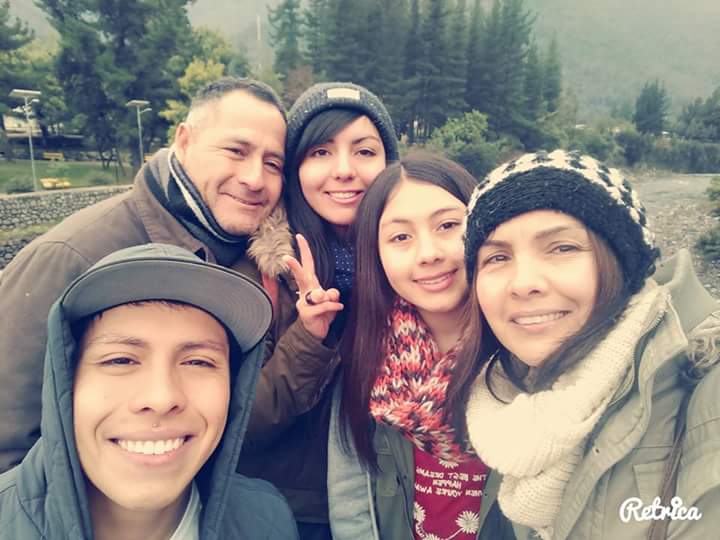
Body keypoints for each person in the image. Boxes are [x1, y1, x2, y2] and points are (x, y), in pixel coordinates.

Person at [0, 77, 296, 473]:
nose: (254, 178)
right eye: (235, 151)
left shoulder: (255, 258)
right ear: (184, 141)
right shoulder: (72, 255)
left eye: (273, 163)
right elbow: (10, 437)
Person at [456, 149, 720, 539]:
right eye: (497, 257)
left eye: (562, 248)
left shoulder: (706, 392)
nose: (524, 283)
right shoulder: (510, 403)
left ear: (622, 262)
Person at [0, 243, 298, 540]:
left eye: (198, 362)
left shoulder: (268, 521)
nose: (161, 398)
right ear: (66, 380)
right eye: (120, 360)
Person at [238, 82, 400, 539]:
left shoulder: (415, 265)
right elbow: (239, 423)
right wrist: (309, 338)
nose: (344, 171)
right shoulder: (260, 273)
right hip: (293, 511)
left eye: (364, 151)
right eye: (321, 152)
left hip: (398, 500)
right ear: (296, 169)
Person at [327, 153, 515, 540]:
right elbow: (351, 495)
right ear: (375, 255)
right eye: (400, 237)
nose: (428, 253)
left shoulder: (525, 351)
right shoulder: (366, 353)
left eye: (448, 225)